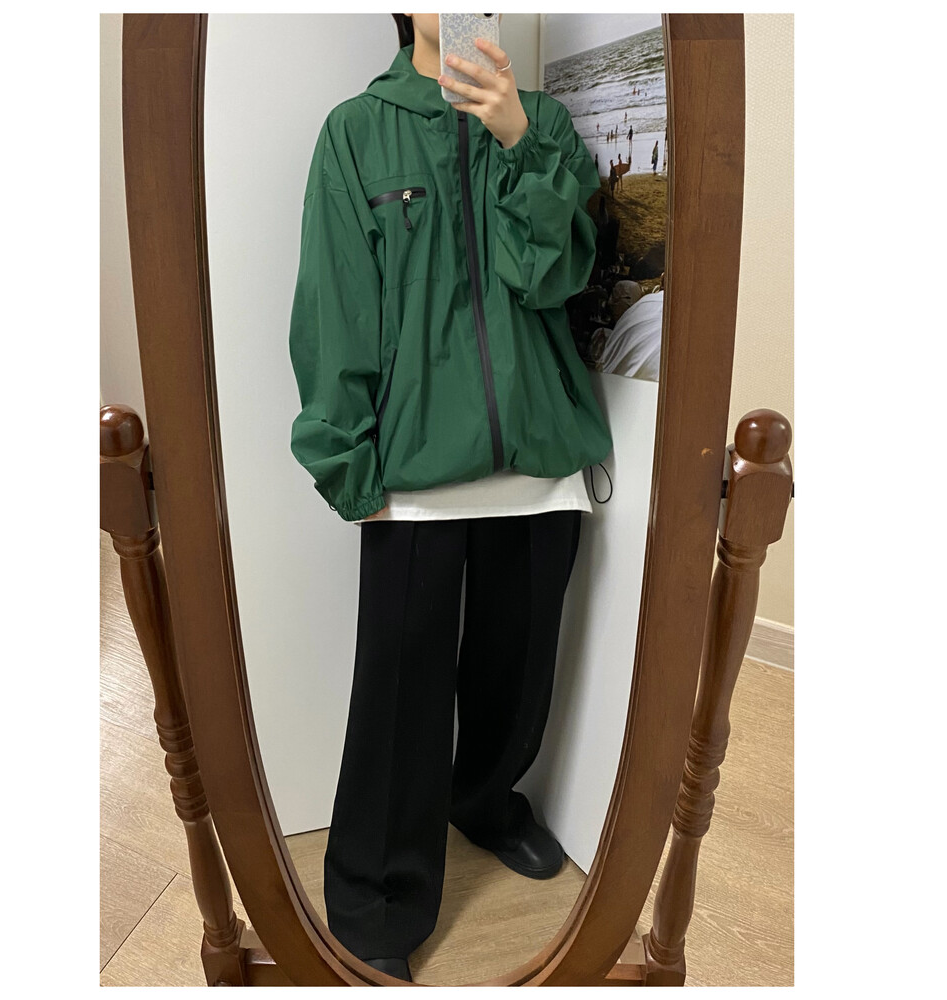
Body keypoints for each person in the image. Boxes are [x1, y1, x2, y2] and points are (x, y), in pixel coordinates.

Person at [288, 13, 613, 983]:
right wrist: (344, 464)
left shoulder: (542, 124)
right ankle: (376, 902)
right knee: (399, 697)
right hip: (416, 476)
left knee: (518, 676)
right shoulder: (356, 132)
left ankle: (484, 802)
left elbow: (555, 275)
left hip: (540, 463)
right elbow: (335, 304)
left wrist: (518, 138)